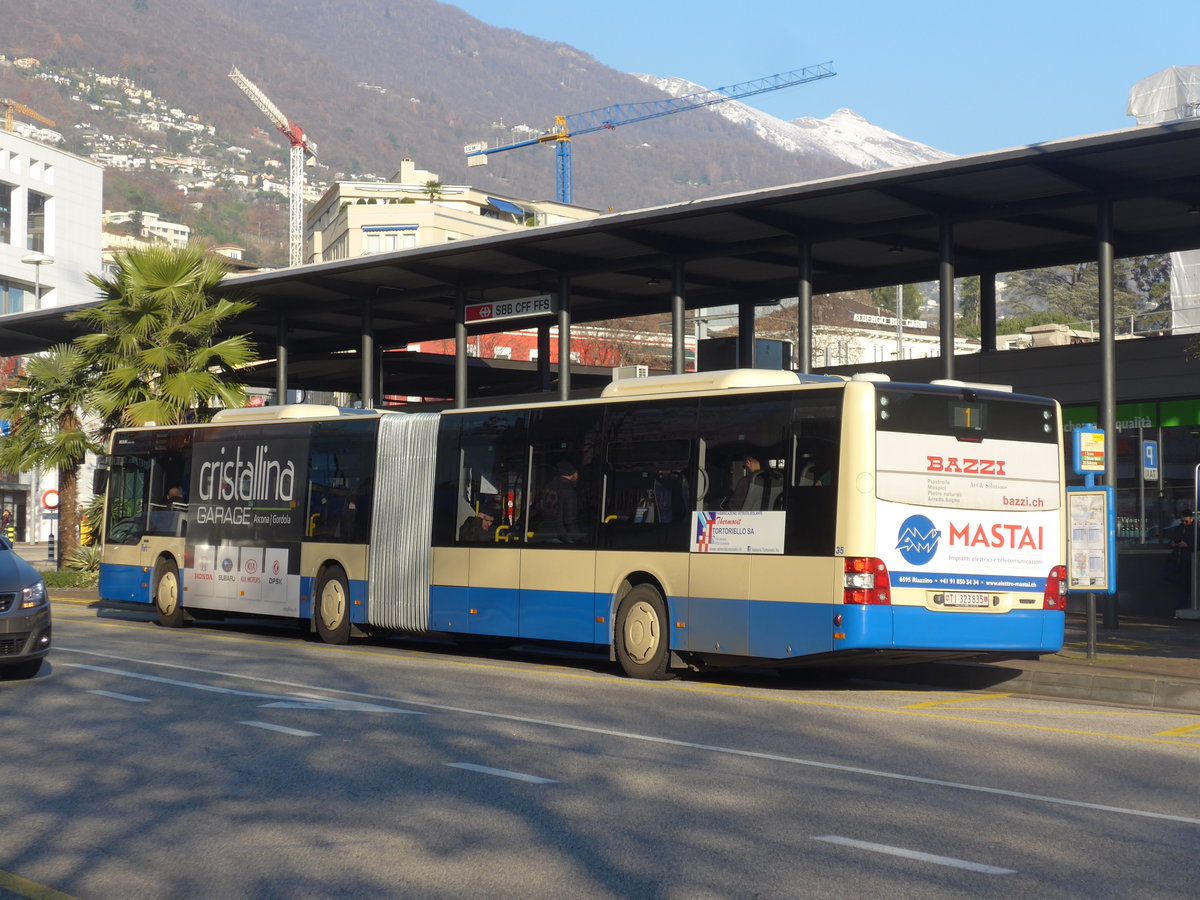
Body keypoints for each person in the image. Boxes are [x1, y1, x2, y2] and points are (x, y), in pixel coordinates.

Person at [536, 460, 580, 541]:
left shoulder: (549, 486)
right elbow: (569, 519)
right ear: (572, 473)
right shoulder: (568, 490)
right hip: (560, 535)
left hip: (545, 532)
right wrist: (577, 538)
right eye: (577, 472)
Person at [1165, 510, 1196, 585]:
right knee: (1168, 575)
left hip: (1188, 559)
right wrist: (1172, 543)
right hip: (1177, 557)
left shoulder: (1196, 530)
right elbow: (1172, 540)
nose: (1184, 523)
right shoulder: (1178, 528)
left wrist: (1187, 545)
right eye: (1182, 521)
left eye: (1186, 521)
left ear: (1191, 519)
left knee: (1186, 581)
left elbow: (1197, 544)